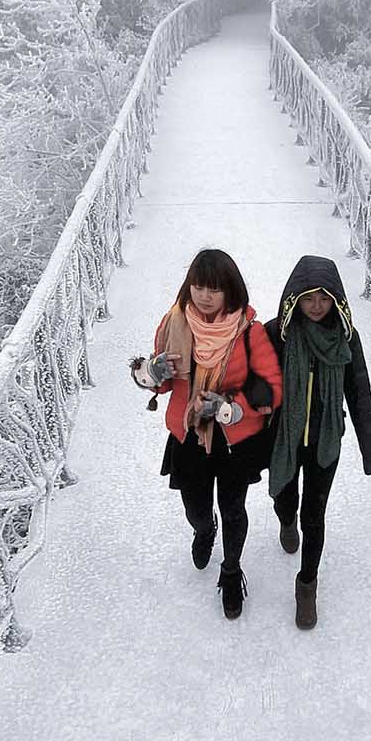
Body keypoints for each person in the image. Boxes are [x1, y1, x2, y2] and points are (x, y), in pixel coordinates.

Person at [129, 248, 283, 619]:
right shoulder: (174, 324)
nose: (205, 296)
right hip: (189, 438)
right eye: (198, 287)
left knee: (233, 510)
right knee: (196, 508)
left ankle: (231, 571)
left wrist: (228, 408)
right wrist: (153, 371)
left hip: (234, 440)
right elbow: (158, 384)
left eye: (214, 289)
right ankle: (203, 530)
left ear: (230, 291)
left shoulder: (249, 332)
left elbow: (272, 387)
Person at [263, 255, 371, 630]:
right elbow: (254, 379)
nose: (316, 306)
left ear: (337, 300)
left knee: (314, 514)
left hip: (325, 442)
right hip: (282, 436)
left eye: (325, 298)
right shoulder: (276, 333)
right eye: (308, 297)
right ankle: (286, 521)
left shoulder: (346, 340)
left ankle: (307, 586)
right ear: (293, 298)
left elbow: (359, 392)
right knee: (284, 496)